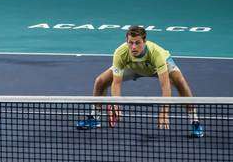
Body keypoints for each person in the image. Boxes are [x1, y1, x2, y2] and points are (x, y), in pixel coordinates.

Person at [76, 26, 204, 138]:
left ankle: (195, 121)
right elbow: (116, 82)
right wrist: (116, 104)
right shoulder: (120, 53)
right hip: (132, 68)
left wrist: (164, 112)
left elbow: (165, 85)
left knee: (179, 81)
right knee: (100, 81)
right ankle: (94, 118)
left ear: (144, 42)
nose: (133, 47)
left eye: (137, 43)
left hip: (155, 68)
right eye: (130, 43)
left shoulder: (157, 53)